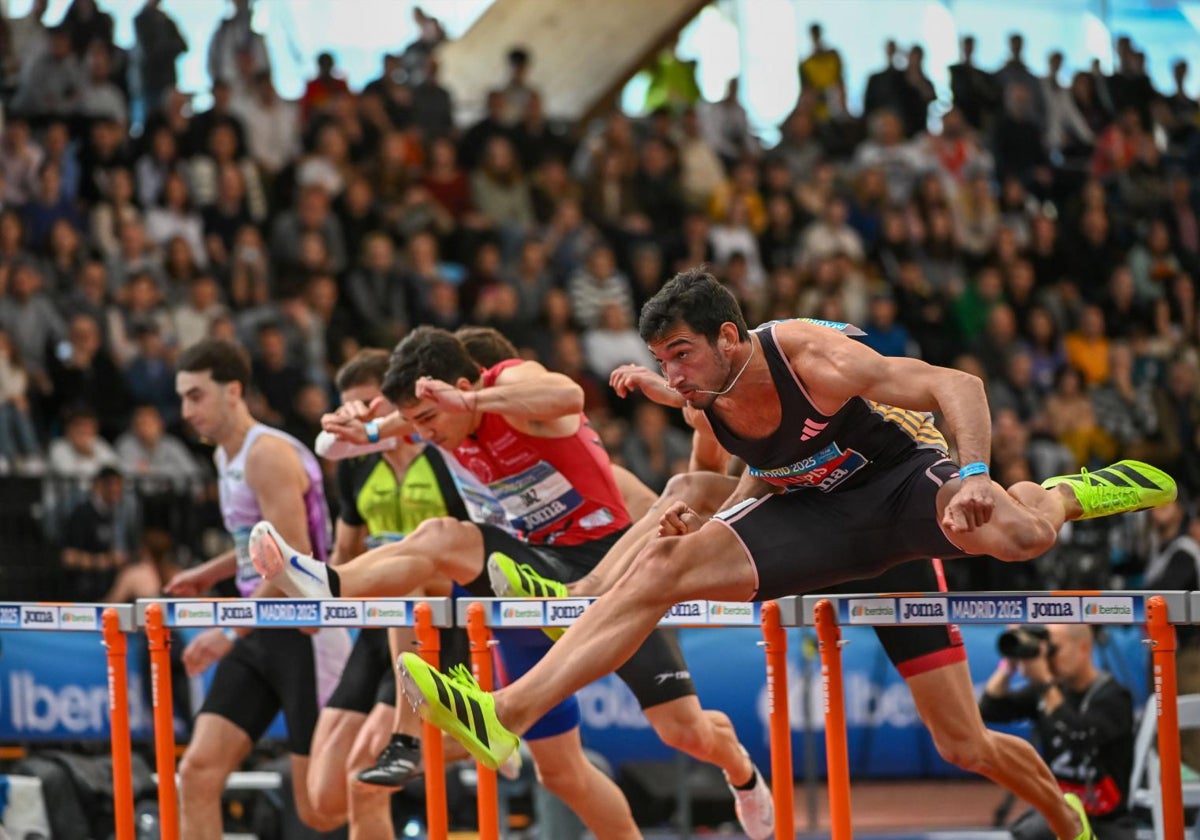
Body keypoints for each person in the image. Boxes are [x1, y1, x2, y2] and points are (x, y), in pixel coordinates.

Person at [397, 269, 1176, 840]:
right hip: (813, 518)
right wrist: (693, 510)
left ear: (730, 337)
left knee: (997, 617)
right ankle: (502, 713)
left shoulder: (814, 358)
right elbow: (727, 478)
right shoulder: (698, 394)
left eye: (682, 355)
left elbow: (959, 384)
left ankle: (1072, 497)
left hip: (903, 495)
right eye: (661, 362)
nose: (674, 377)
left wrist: (974, 475)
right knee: (669, 564)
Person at [251, 326, 775, 839]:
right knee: (558, 771)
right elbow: (341, 444)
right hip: (525, 575)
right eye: (419, 421)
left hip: (612, 571)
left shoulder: (527, 407)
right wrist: (363, 424)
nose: (427, 434)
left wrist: (472, 399)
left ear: (472, 388)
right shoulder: (439, 426)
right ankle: (327, 584)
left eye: (432, 416)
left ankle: (742, 773)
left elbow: (567, 392)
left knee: (683, 731)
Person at [163, 338, 351, 839]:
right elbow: (255, 547)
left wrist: (228, 631)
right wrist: (209, 572)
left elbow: (292, 562)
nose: (187, 411)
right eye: (182, 397)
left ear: (233, 391)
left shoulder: (265, 454)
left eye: (196, 396)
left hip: (304, 632)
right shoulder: (226, 459)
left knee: (319, 806)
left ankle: (440, 751)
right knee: (197, 773)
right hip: (260, 627)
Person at [981, 625, 1135, 839]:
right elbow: (989, 709)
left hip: (1105, 819)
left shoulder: (1114, 697)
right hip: (1059, 811)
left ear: (1083, 649)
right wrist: (1011, 662)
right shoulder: (1048, 692)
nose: (1047, 658)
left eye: (1053, 649)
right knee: (1029, 832)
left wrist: (1045, 682)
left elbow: (1078, 737)